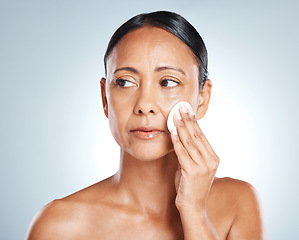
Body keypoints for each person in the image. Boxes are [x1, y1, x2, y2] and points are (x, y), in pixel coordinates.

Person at [26, 11, 266, 239]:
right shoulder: (58, 225)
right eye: (125, 82)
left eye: (168, 82)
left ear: (202, 99)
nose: (145, 105)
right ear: (104, 98)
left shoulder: (238, 203)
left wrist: (194, 213)